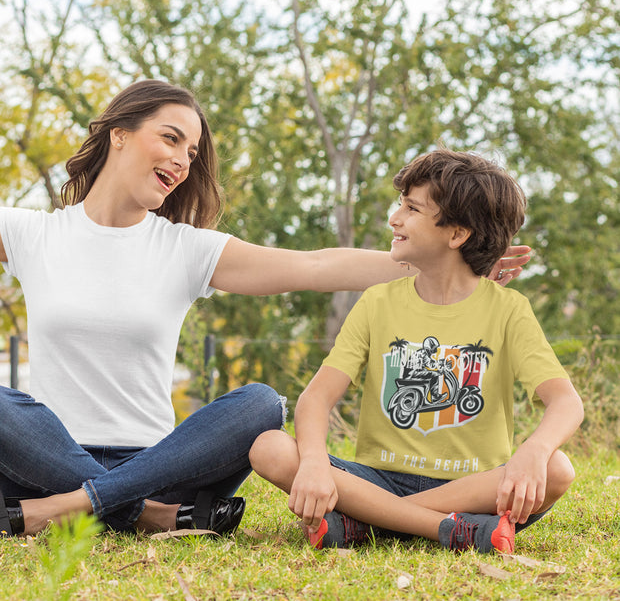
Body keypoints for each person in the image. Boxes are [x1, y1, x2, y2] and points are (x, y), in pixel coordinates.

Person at [0, 81, 528, 539]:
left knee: (260, 404)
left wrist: (445, 258)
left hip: (161, 464)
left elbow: (315, 267)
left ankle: (80, 507)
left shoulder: (185, 248)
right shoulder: (32, 232)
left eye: (192, 150)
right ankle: (147, 516)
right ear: (119, 133)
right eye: (170, 138)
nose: (184, 160)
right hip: (46, 461)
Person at [250, 148, 583, 554]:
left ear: (457, 234)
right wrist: (317, 461)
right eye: (400, 205)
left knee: (556, 468)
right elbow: (317, 398)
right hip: (377, 477)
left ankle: (368, 523)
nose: (395, 218)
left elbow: (566, 401)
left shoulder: (508, 309)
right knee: (270, 448)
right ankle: (453, 530)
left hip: (471, 486)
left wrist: (534, 450)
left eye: (411, 208)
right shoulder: (377, 302)